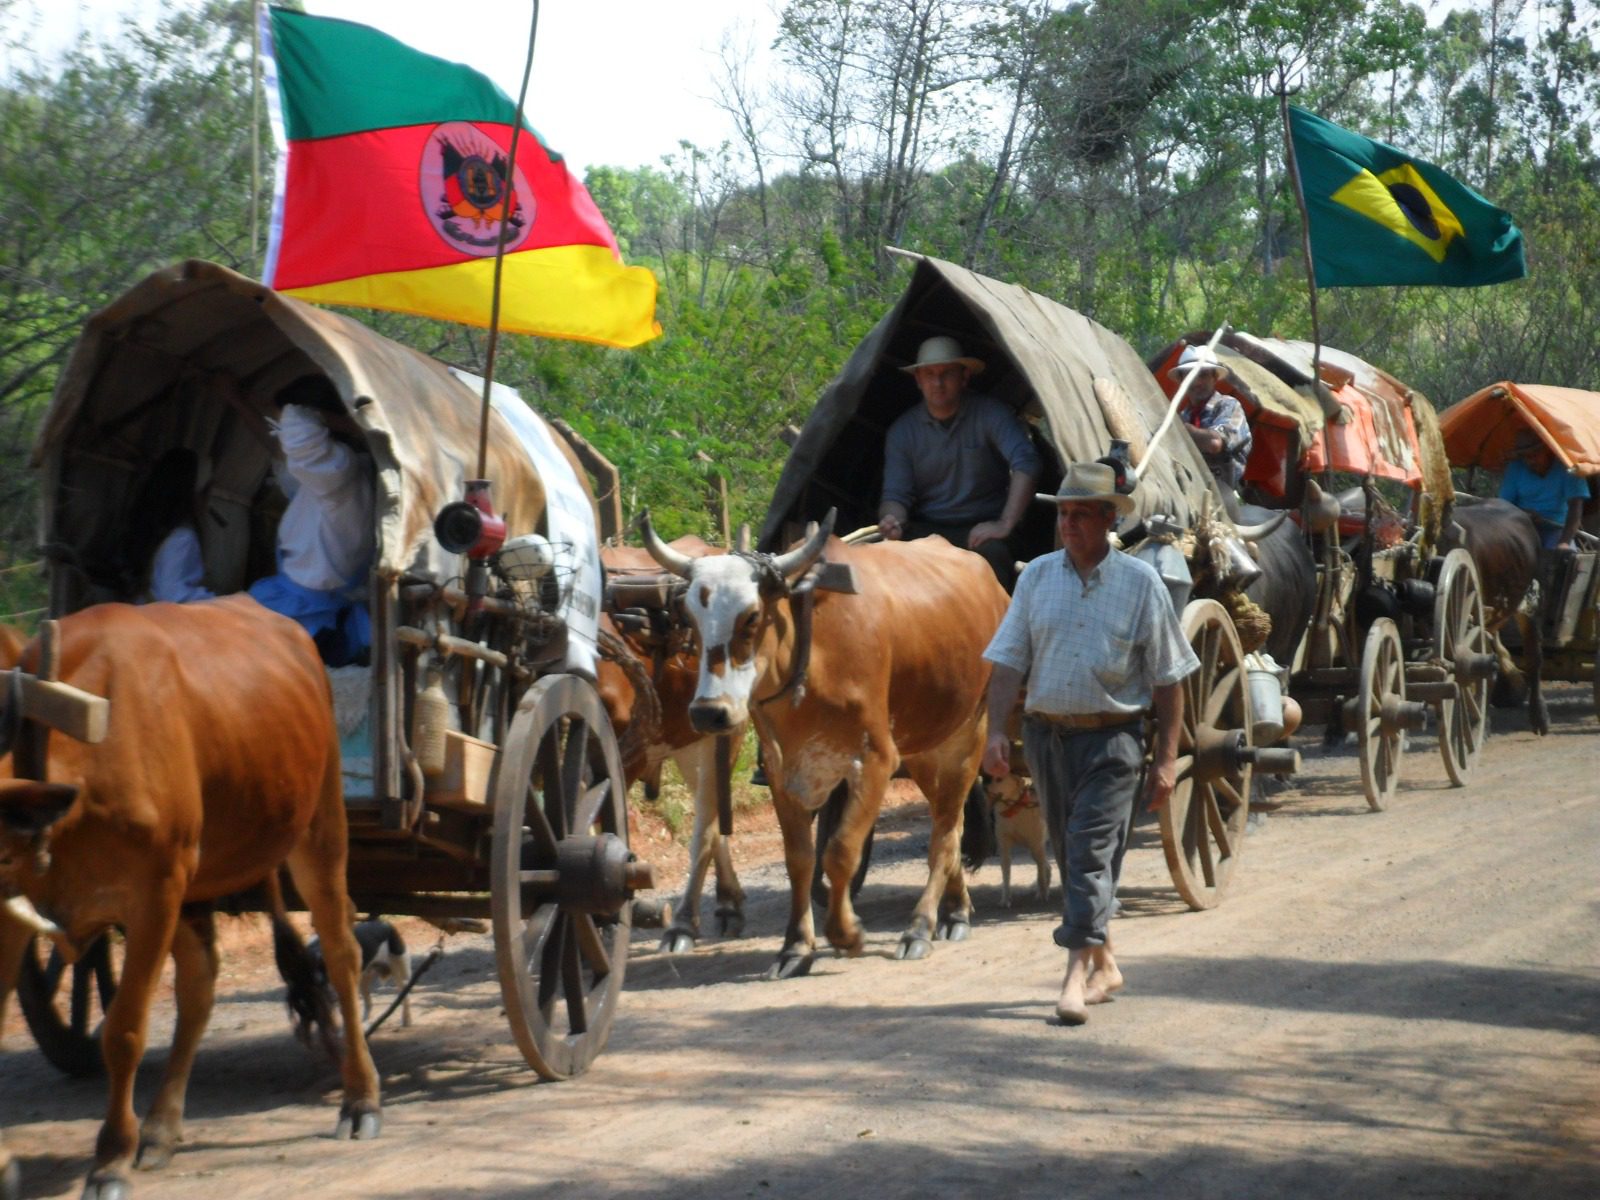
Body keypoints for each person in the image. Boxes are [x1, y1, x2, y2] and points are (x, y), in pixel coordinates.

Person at [980, 461, 1198, 1025]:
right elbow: (1007, 661)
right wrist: (996, 731)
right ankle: (1107, 966)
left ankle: (1074, 977)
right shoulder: (1036, 578)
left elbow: (1170, 679)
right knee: (1075, 855)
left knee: (1091, 855)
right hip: (1046, 738)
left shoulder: (1140, 583)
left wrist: (1168, 760)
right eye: (1063, 513)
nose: (1068, 523)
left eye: (1081, 514)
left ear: (1108, 520)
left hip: (1113, 743)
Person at [878, 335, 1041, 591]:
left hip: (980, 529)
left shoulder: (991, 414)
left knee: (994, 554)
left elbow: (1027, 463)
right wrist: (892, 521)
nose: (938, 382)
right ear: (918, 380)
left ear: (964, 377)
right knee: (882, 561)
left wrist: (1004, 524)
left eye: (947, 374)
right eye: (930, 374)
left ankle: (997, 628)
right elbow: (896, 496)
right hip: (927, 530)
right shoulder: (902, 432)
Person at [248, 375, 375, 667]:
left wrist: (312, 414)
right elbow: (287, 454)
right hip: (305, 612)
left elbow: (300, 432)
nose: (283, 434)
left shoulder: (338, 473)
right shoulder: (337, 479)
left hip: (304, 621)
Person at [123, 447, 216, 604]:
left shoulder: (154, 526)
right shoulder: (181, 537)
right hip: (158, 621)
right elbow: (172, 594)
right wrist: (219, 604)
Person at [1168, 345, 1251, 492]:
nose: (1197, 382)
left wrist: (1180, 428)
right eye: (1190, 375)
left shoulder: (1228, 405)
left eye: (1203, 374)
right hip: (1186, 488)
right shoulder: (1183, 415)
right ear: (1181, 380)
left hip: (1223, 490)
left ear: (1215, 377)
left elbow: (1214, 443)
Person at [1499, 427, 1586, 549]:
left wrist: (1564, 543)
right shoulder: (1516, 468)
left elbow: (1575, 508)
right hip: (1519, 527)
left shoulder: (1567, 467)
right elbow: (1503, 505)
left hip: (1556, 530)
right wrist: (1523, 514)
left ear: (1547, 450)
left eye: (1535, 454)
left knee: (1563, 558)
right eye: (1526, 457)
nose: (1531, 461)